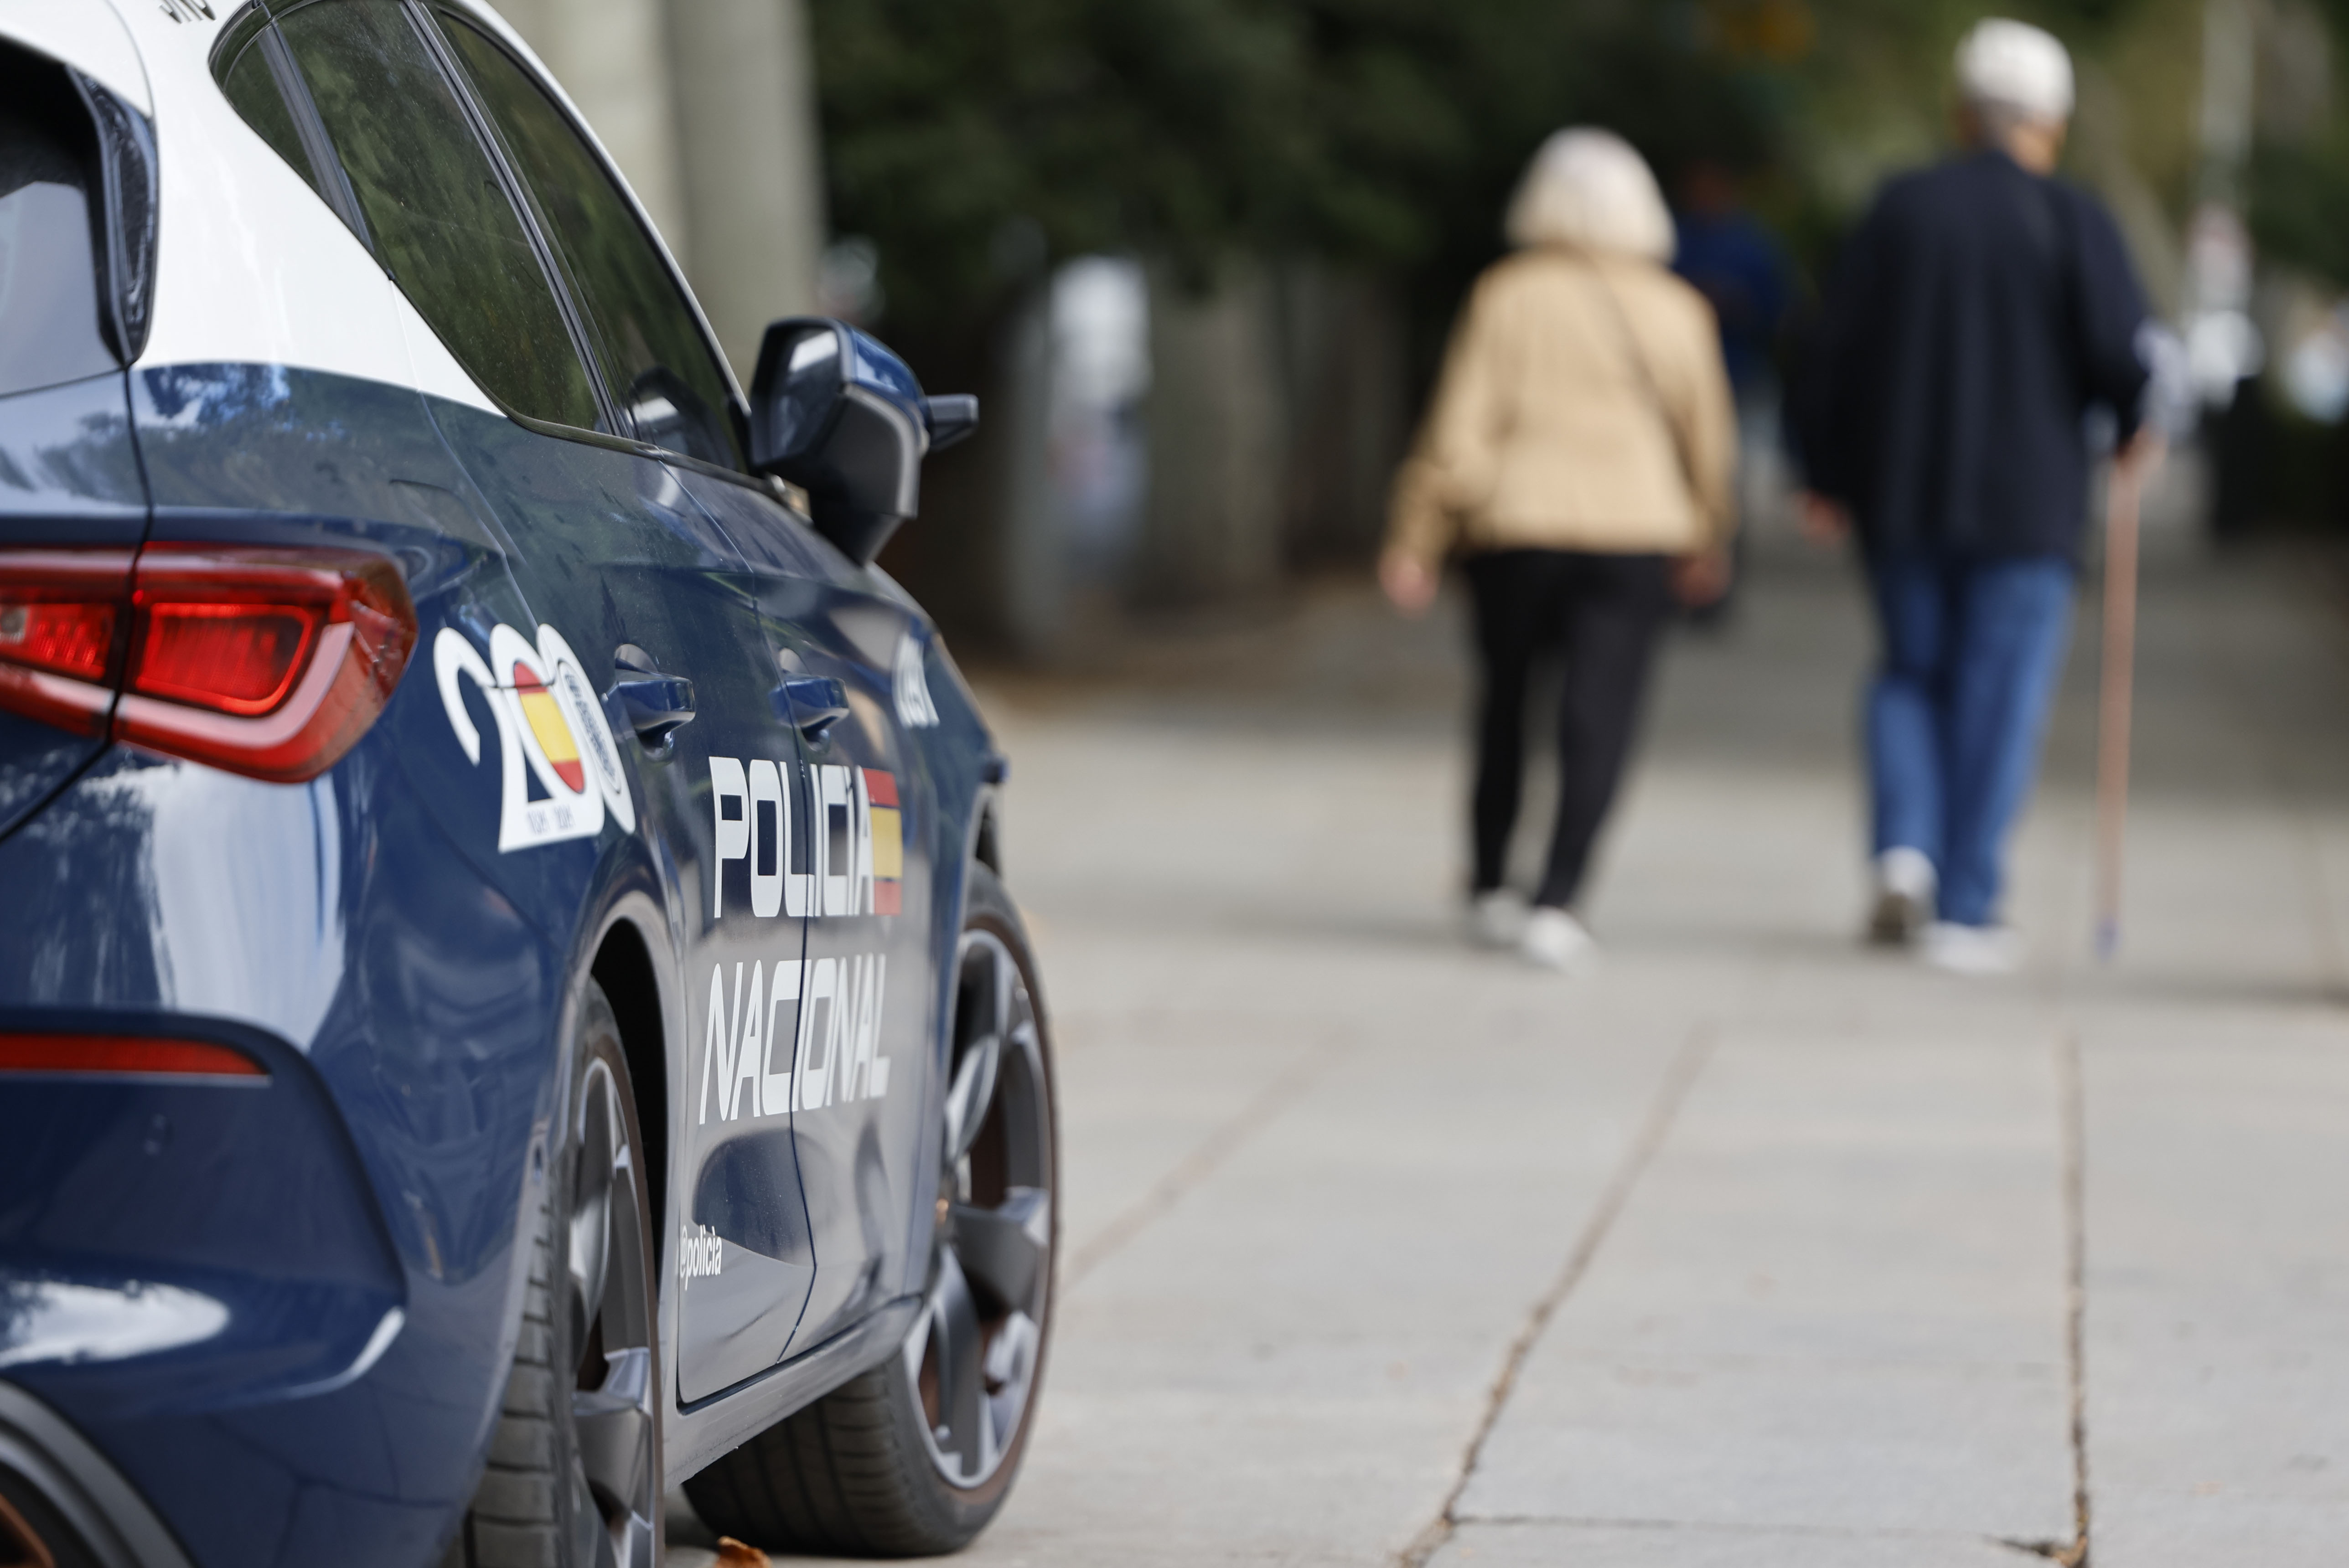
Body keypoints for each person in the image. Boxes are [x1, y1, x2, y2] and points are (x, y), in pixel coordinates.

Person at [1791, 18, 2159, 975]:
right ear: (2053, 122)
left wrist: (1820, 471)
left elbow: (1829, 349)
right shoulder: (2072, 219)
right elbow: (2123, 357)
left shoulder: (1898, 210)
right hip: (2027, 505)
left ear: (1961, 114)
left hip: (1901, 492)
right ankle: (1964, 902)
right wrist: (2133, 428)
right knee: (1998, 693)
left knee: (1907, 673)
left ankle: (1903, 847)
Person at [1381, 128, 1737, 970]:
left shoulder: (1507, 296)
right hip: (1636, 530)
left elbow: (1459, 428)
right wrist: (1709, 531)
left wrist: (1417, 536)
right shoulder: (1677, 307)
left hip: (1517, 526)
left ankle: (1490, 881)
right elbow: (1709, 439)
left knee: (1507, 703)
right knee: (1600, 716)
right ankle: (1561, 897)